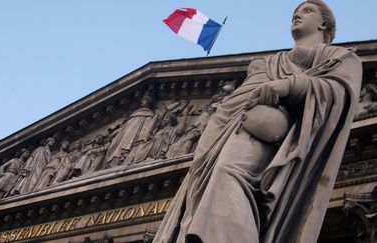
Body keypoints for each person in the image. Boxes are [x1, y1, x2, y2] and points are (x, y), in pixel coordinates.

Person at [153, 1, 362, 243]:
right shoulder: (267, 63)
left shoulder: (341, 58)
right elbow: (236, 102)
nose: (297, 15)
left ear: (324, 23)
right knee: (207, 191)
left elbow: (338, 92)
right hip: (227, 136)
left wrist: (289, 85)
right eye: (295, 12)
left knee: (228, 176)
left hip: (275, 145)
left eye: (307, 11)